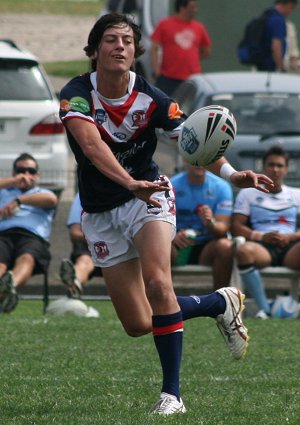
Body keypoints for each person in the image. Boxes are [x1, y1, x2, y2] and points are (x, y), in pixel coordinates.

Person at [59, 13, 273, 415]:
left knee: (160, 286)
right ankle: (216, 303)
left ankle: (172, 396)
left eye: (126, 40)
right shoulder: (76, 96)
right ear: (93, 51)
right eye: (110, 39)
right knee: (138, 323)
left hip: (150, 198)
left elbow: (194, 140)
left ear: (135, 52)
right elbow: (91, 147)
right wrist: (127, 182)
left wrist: (231, 173)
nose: (119, 46)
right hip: (101, 211)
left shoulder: (154, 99)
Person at [231, 146, 300, 319]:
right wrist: (261, 236)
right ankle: (265, 311)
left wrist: (289, 237)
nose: (275, 169)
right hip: (262, 246)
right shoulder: (248, 194)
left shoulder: (296, 194)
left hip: (290, 247)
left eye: (279, 165)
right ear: (263, 167)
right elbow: (236, 226)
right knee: (243, 251)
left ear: (286, 169)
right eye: (271, 165)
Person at [0, 153, 58, 313]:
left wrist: (19, 201)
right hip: (3, 235)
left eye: (31, 171)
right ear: (13, 173)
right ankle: (3, 293)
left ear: (37, 175)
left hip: (32, 237)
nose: (26, 175)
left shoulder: (42, 192)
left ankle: (9, 288)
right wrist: (12, 182)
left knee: (26, 257)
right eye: (21, 170)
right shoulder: (4, 191)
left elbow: (52, 200)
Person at [171, 163, 234, 290]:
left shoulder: (221, 187)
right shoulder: (172, 185)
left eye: (203, 157)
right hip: (177, 245)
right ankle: (164, 303)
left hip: (206, 247)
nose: (199, 162)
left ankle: (219, 303)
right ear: (185, 159)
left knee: (225, 246)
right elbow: (159, 222)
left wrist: (210, 222)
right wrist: (172, 236)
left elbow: (223, 228)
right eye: (194, 159)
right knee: (160, 246)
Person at [150, 0, 211, 96]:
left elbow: (206, 51)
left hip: (192, 78)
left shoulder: (199, 27)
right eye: (192, 7)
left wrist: (192, 59)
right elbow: (154, 48)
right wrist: (157, 71)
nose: (195, 10)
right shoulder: (165, 24)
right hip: (168, 77)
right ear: (182, 8)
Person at [60, 192, 101, 299]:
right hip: (89, 243)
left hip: (121, 245)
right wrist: (98, 241)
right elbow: (75, 232)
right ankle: (74, 285)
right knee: (85, 261)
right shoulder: (83, 194)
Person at [257, 0, 298, 72]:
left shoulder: (262, 19)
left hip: (261, 69)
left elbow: (293, 55)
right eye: (292, 8)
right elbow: (276, 45)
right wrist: (280, 68)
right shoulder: (277, 20)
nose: (292, 11)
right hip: (271, 71)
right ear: (288, 5)